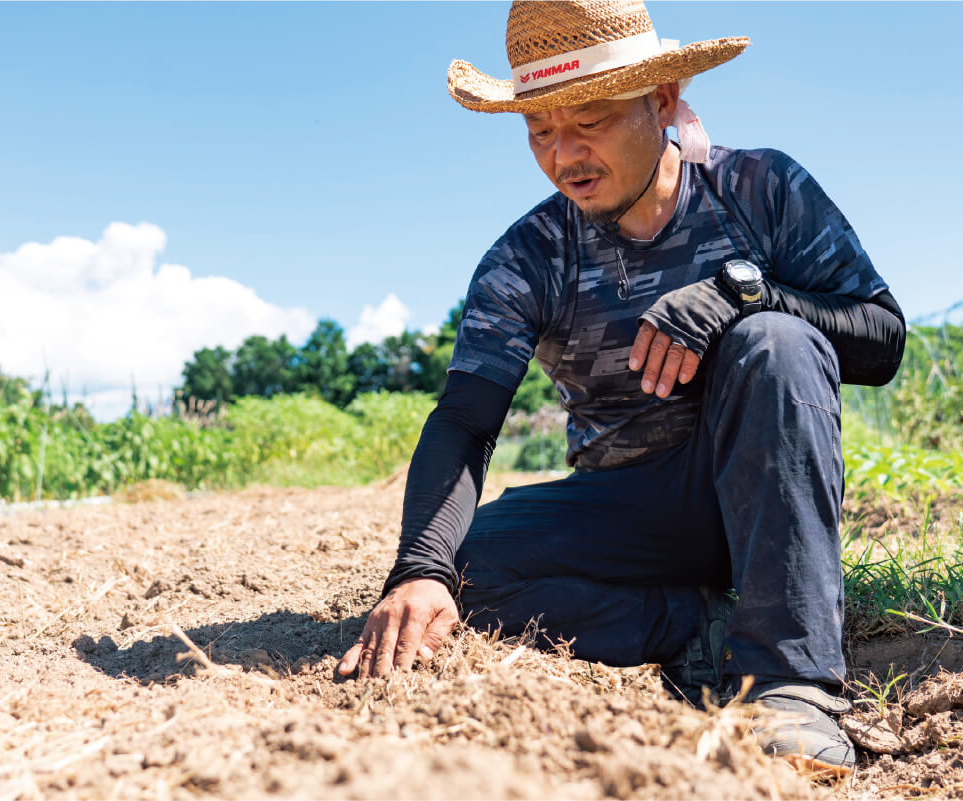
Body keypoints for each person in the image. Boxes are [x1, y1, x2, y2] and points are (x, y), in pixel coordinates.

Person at [336, 0, 905, 776]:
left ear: (661, 101)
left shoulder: (759, 187)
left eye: (589, 121)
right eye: (539, 131)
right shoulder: (527, 257)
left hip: (763, 484)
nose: (563, 155)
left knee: (772, 340)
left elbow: (880, 335)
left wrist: (745, 296)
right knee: (457, 565)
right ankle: (694, 629)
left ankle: (791, 682)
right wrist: (418, 571)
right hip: (631, 512)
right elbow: (466, 419)